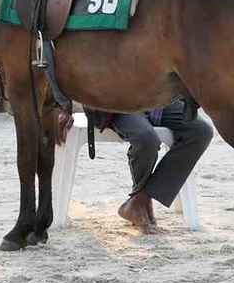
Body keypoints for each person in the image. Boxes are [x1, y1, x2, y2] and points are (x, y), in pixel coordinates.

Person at [88, 99, 213, 233]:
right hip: (119, 103)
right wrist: (63, 109)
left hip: (159, 100)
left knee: (201, 131)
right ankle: (140, 204)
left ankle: (141, 199)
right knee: (146, 139)